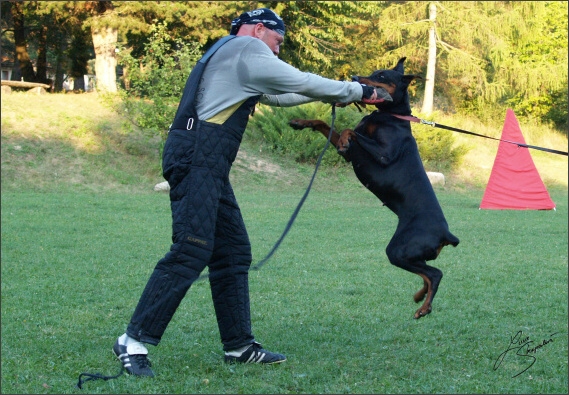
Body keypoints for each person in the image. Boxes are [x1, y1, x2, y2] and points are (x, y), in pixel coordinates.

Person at [113, 7, 392, 377]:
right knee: (192, 247)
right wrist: (358, 91)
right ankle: (132, 340)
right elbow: (299, 79)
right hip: (199, 158)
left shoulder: (227, 51)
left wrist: (334, 97)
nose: (277, 51)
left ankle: (239, 346)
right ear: (260, 30)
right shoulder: (247, 49)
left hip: (204, 161)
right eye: (278, 42)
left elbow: (278, 95)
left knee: (232, 251)